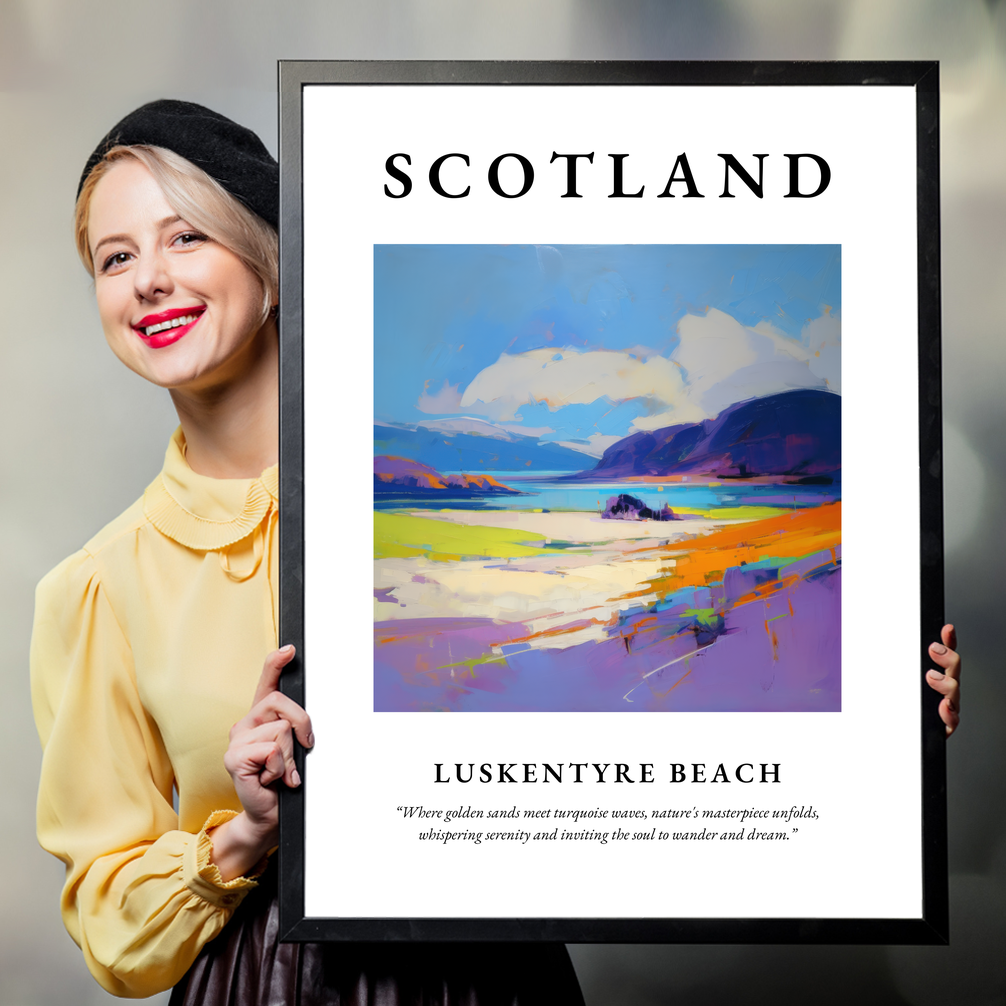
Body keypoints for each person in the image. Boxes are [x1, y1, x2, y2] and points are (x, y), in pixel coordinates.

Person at [30, 100, 585, 1004]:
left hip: (493, 973)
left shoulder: (433, 501)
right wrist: (245, 832)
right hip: (263, 982)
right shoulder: (97, 587)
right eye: (116, 257)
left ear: (273, 264)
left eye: (186, 238)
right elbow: (110, 924)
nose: (148, 281)